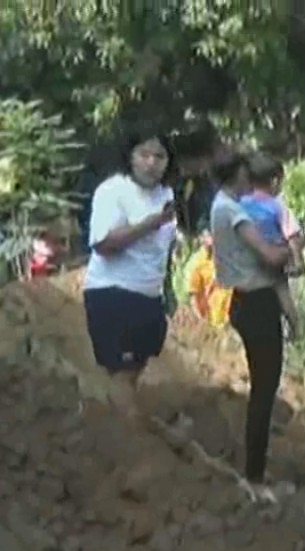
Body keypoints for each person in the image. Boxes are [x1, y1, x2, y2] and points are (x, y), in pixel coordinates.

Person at [208, 147, 296, 487]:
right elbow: (271, 256)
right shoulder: (233, 212)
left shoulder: (220, 205)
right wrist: (292, 249)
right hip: (257, 302)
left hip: (243, 301)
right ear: (238, 175)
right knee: (264, 389)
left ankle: (256, 468)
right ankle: (254, 476)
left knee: (263, 387)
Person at [83, 129, 179, 398]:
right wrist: (151, 224)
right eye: (144, 154)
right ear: (130, 157)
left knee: (133, 374)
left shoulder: (166, 195)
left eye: (159, 156)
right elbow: (103, 244)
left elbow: (164, 248)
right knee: (118, 376)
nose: (152, 163)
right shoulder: (114, 191)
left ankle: (125, 428)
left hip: (149, 298)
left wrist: (168, 291)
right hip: (112, 295)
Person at [238, 153, 305, 342]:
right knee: (283, 292)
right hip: (272, 259)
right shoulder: (277, 206)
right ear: (275, 182)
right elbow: (291, 235)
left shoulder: (239, 204)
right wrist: (298, 261)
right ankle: (294, 327)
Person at [182, 229, 232, 328]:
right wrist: (206, 325)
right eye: (209, 234)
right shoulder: (195, 264)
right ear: (202, 238)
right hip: (219, 321)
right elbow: (195, 299)